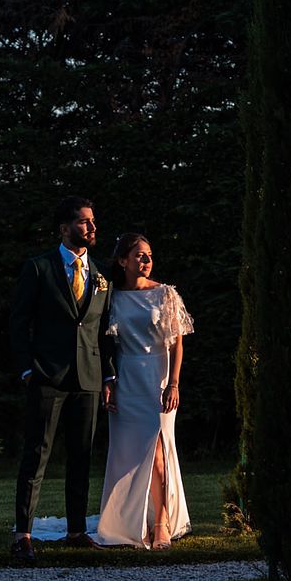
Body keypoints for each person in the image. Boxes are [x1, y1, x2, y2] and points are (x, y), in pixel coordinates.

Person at [8, 195, 115, 566]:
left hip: (87, 378)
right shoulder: (39, 268)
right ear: (65, 228)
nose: (92, 228)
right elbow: (18, 323)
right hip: (47, 377)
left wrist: (108, 375)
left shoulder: (101, 276)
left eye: (93, 221)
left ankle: (75, 531)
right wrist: (26, 369)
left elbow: (102, 331)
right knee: (36, 456)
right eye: (84, 222)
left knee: (81, 458)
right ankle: (22, 535)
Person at [92, 233, 193, 549]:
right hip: (126, 378)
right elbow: (104, 343)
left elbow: (177, 341)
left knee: (159, 453)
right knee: (131, 455)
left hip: (158, 380)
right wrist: (108, 381)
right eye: (139, 255)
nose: (146, 260)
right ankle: (133, 522)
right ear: (123, 260)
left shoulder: (165, 294)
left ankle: (161, 523)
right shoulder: (111, 297)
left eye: (149, 255)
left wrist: (173, 383)